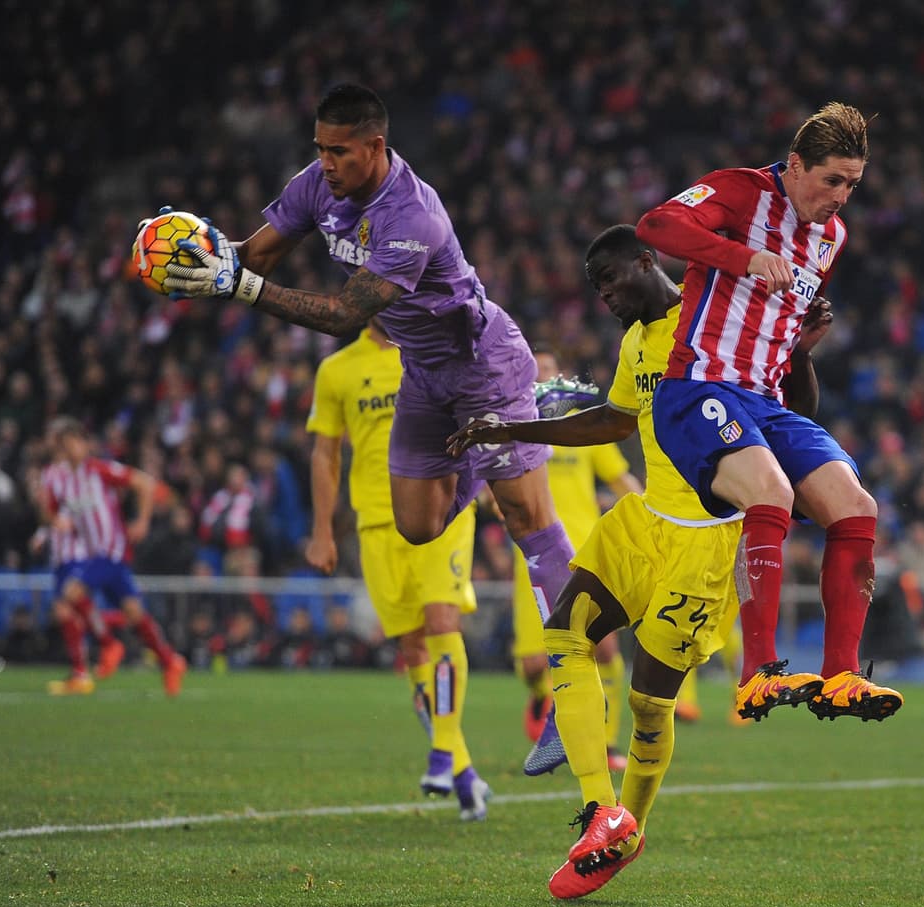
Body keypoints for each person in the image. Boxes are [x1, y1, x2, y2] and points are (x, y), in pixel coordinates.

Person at [447, 225, 831, 898]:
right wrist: (512, 427)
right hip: (645, 522)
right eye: (597, 290)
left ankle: (629, 830)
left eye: (611, 282)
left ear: (647, 261)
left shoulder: (714, 321)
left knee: (649, 703)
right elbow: (612, 422)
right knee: (565, 632)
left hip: (707, 539)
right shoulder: (634, 343)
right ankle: (603, 811)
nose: (606, 299)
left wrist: (796, 353)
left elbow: (793, 418)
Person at [151, 82, 578, 634]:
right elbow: (255, 255)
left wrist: (240, 287)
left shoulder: (412, 215)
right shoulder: (316, 185)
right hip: (423, 373)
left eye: (339, 152)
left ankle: (575, 647)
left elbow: (344, 315)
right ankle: (481, 452)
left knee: (525, 515)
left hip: (481, 367)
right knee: (418, 525)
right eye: (320, 149)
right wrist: (191, 255)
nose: (325, 164)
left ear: (375, 147)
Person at [636, 102, 903, 723]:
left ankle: (840, 676)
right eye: (831, 180)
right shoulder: (741, 192)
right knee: (770, 492)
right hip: (696, 386)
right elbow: (655, 226)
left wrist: (802, 348)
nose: (841, 197)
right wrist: (744, 257)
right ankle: (757, 673)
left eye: (853, 185)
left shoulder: (832, 238)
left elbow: (779, 329)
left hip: (765, 400)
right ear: (795, 165)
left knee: (857, 507)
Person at [305, 319, 489, 821]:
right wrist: (322, 529)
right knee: (413, 648)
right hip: (377, 522)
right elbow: (325, 451)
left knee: (443, 622)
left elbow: (475, 412)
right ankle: (464, 769)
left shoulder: (437, 349)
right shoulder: (338, 370)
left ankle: (442, 753)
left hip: (442, 508)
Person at [513, 349, 642, 769]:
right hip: (532, 554)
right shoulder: (517, 428)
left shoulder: (580, 427)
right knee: (533, 664)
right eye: (535, 373)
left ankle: (603, 742)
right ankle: (545, 702)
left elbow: (618, 475)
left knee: (602, 648)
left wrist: (647, 509)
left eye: (550, 371)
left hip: (586, 550)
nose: (543, 378)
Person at [39, 417, 187, 697]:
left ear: (84, 445)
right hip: (98, 555)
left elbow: (143, 483)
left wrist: (142, 520)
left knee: (70, 594)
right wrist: (50, 519)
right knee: (134, 612)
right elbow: (50, 513)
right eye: (66, 445)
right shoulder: (65, 482)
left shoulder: (98, 470)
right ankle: (169, 661)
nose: (72, 449)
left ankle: (109, 644)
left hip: (112, 551)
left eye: (75, 443)